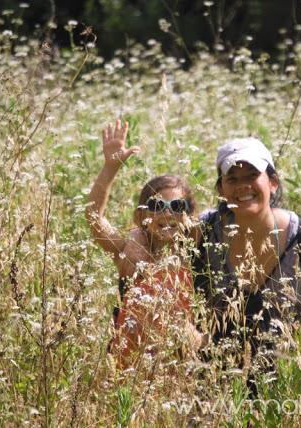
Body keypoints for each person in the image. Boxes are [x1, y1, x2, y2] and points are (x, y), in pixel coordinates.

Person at [193, 137, 301, 391]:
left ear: (272, 183)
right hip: (212, 380)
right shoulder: (201, 231)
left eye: (252, 175)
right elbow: (162, 281)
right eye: (232, 179)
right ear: (221, 189)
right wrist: (195, 341)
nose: (243, 186)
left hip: (286, 380)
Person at [86, 118, 200, 370]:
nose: (167, 214)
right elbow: (94, 217)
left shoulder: (196, 250)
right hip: (130, 364)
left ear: (189, 214)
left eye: (177, 206)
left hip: (179, 364)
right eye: (157, 206)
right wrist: (110, 167)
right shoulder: (128, 249)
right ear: (141, 215)